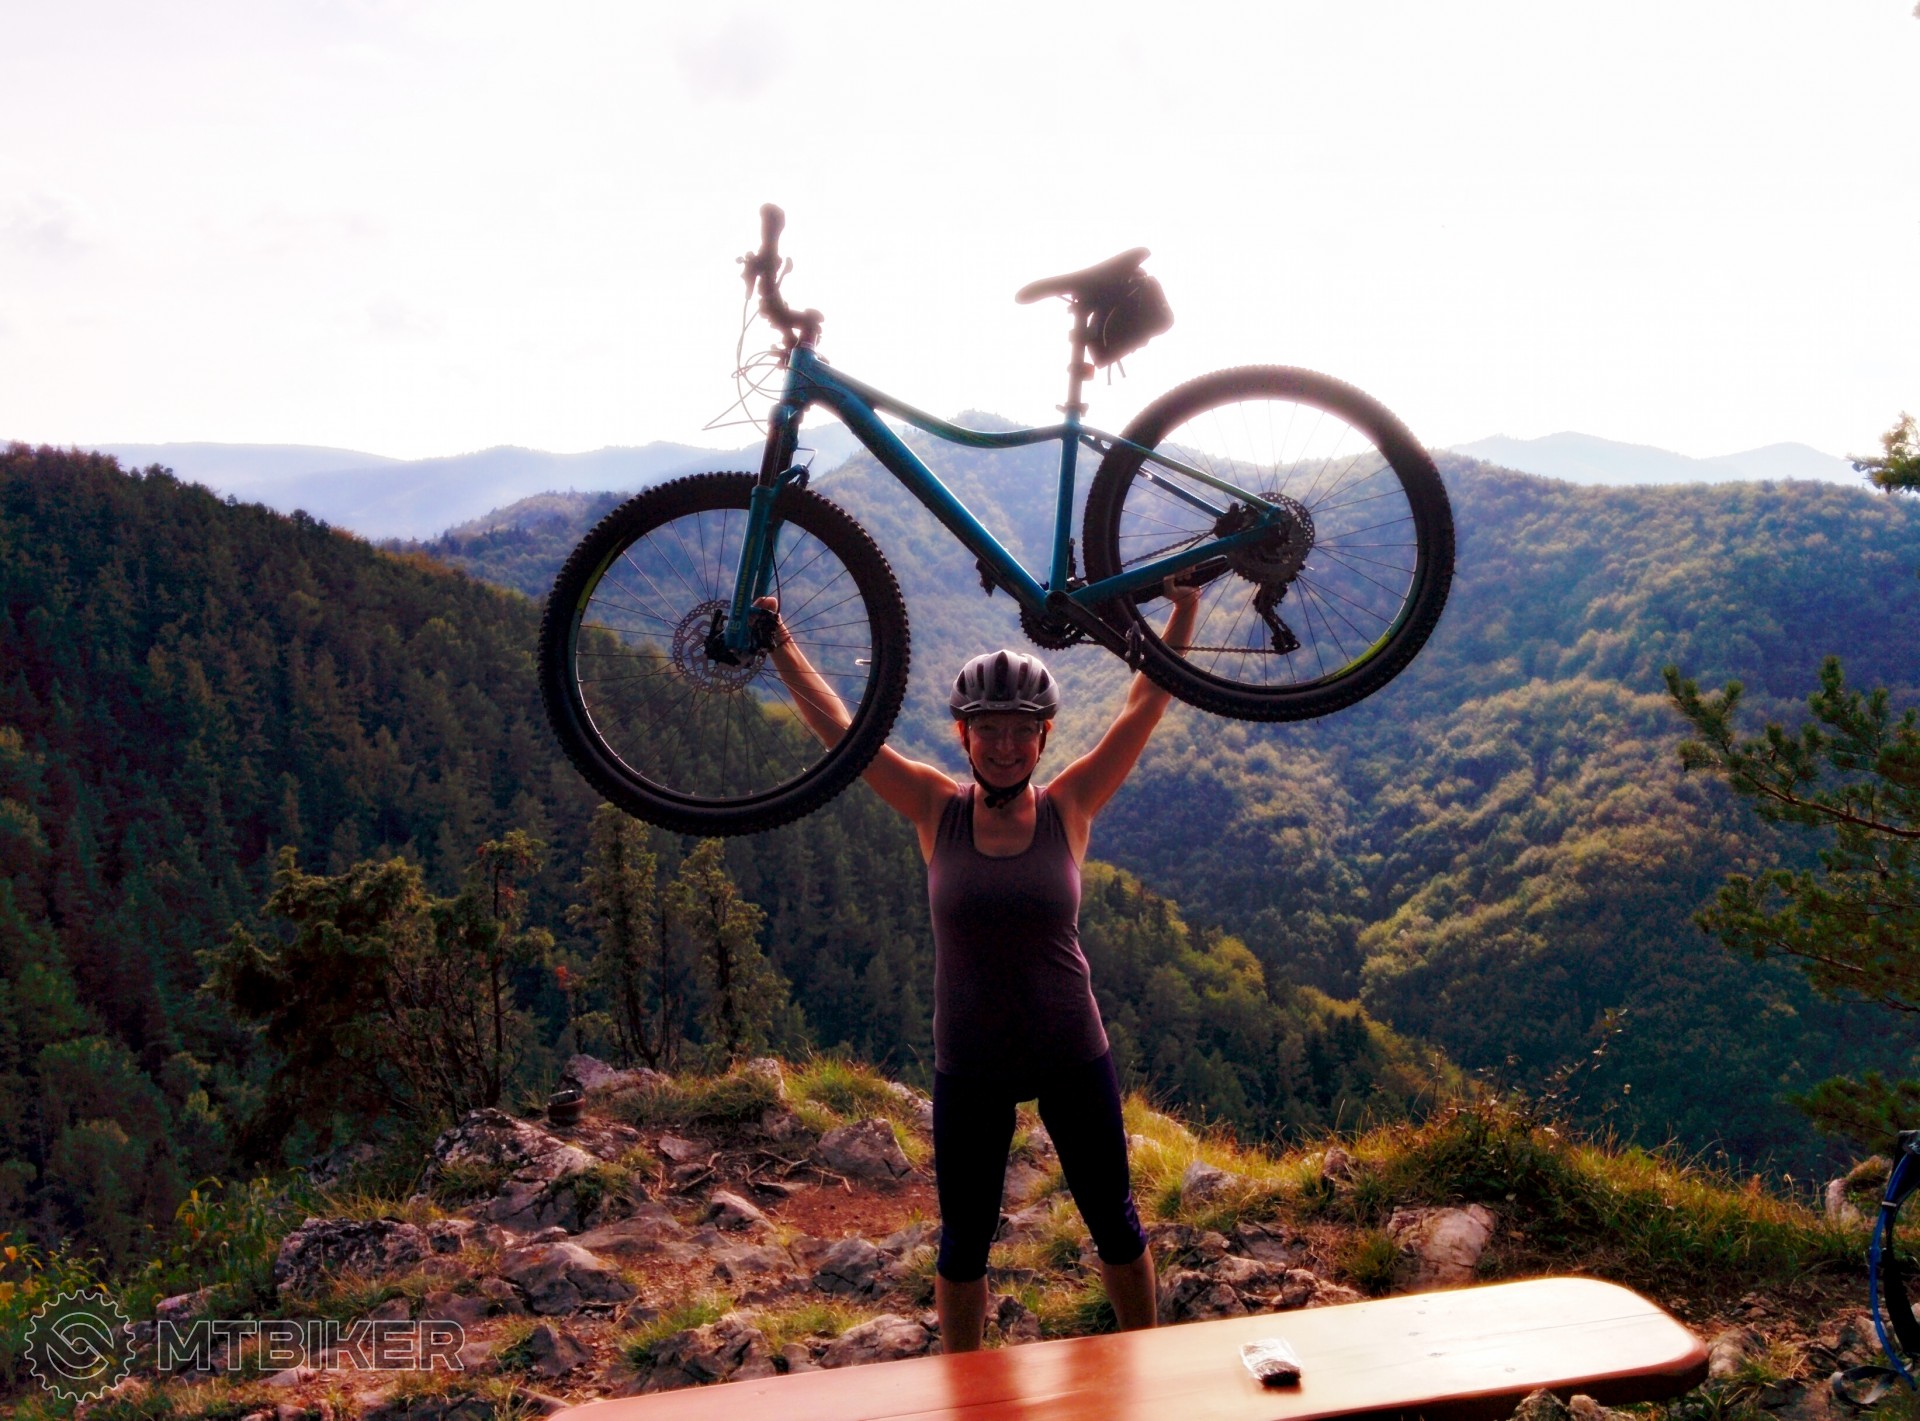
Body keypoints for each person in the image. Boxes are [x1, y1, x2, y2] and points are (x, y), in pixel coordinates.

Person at [757, 580, 1200, 1351]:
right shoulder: (936, 805)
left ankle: (1145, 1364)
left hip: (1072, 1050)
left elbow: (1144, 704)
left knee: (1115, 1222)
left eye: (1021, 730)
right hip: (971, 1062)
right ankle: (965, 1388)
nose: (1003, 745)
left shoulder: (1069, 804)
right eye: (988, 729)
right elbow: (842, 732)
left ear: (1044, 735)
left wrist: (1184, 612)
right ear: (963, 734)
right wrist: (781, 645)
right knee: (964, 1242)